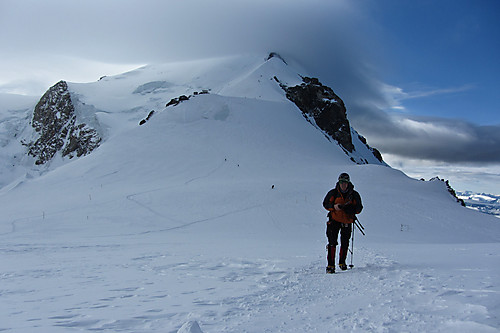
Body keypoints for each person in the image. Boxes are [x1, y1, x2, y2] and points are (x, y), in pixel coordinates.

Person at [323, 172, 363, 273]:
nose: (343, 184)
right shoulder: (333, 193)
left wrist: (351, 209)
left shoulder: (354, 195)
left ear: (348, 183)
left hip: (347, 221)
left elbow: (359, 208)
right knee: (332, 242)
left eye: (345, 182)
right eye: (341, 182)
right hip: (334, 220)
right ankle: (330, 265)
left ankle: (342, 262)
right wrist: (334, 207)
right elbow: (325, 204)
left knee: (345, 242)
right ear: (339, 182)